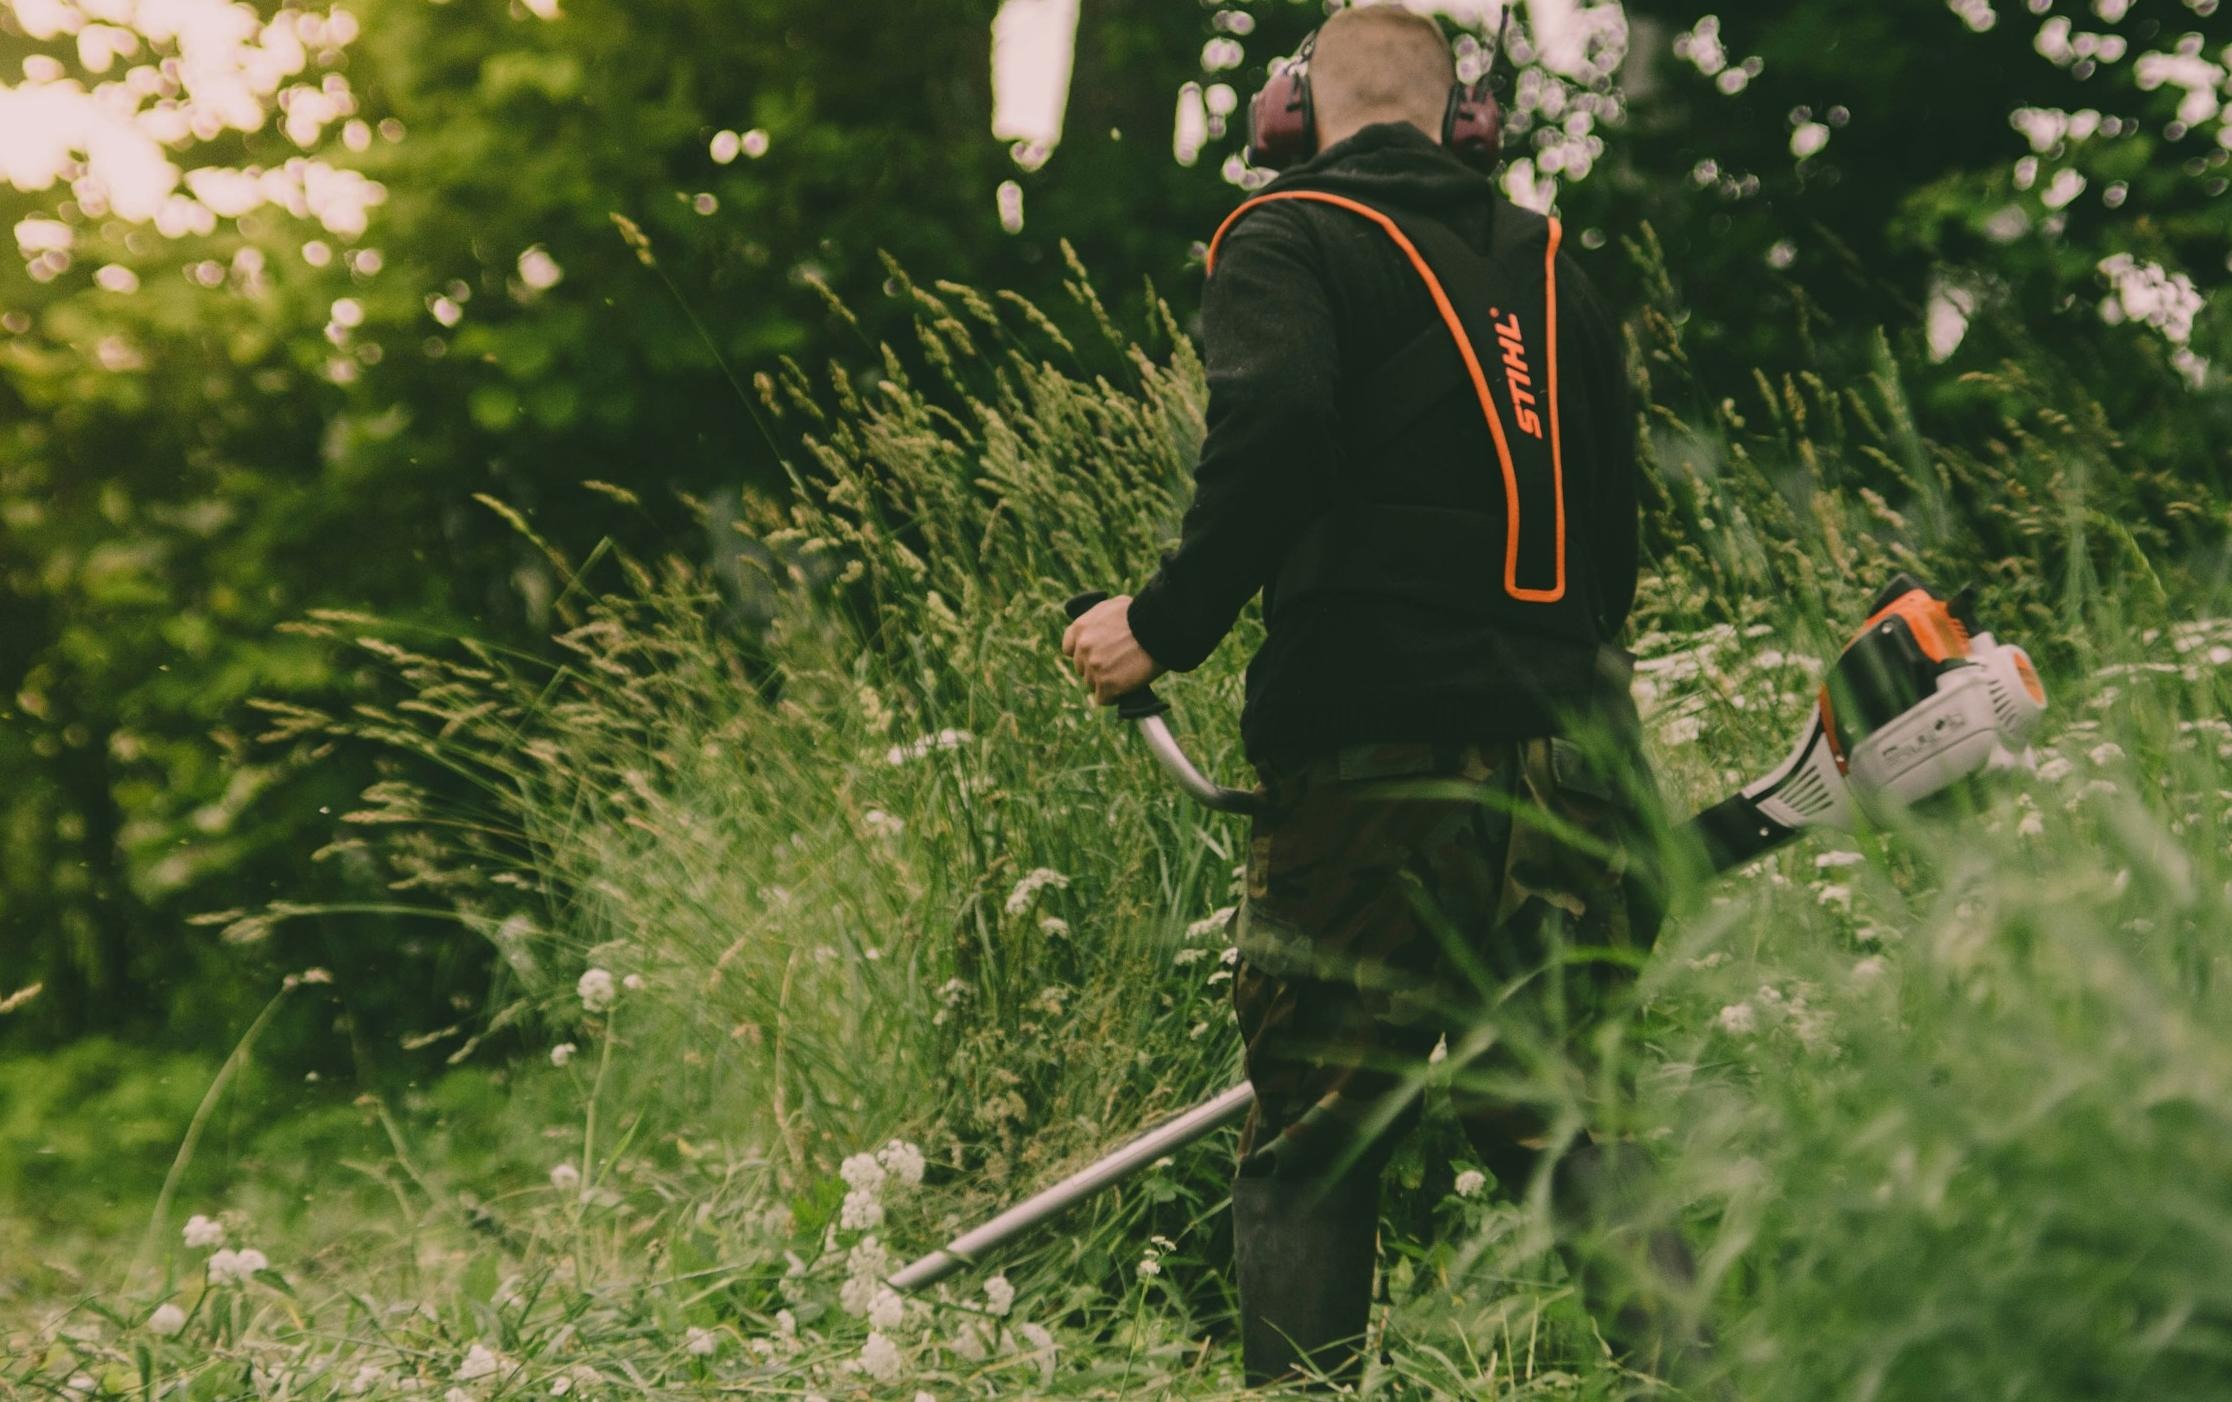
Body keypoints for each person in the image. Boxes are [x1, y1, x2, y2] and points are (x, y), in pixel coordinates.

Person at [1062, 4, 1680, 1390]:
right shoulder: (1556, 268)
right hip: (1568, 769)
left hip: (1369, 774)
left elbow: (1275, 427)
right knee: (1573, 1124)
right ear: (1472, 124)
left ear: (1292, 112)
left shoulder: (1285, 235)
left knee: (1317, 1150)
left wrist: (1159, 628)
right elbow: (1617, 537)